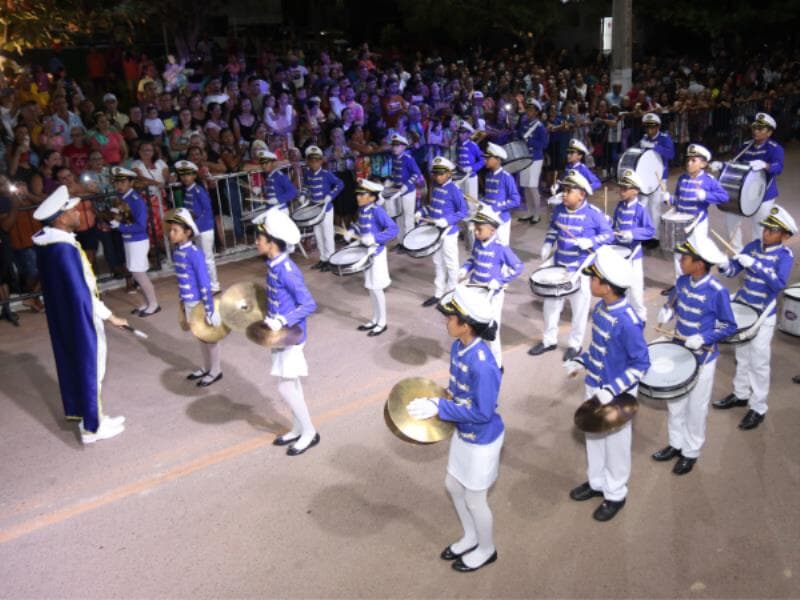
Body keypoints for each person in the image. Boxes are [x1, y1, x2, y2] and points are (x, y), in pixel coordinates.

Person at [406, 285, 503, 573]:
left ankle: (487, 549)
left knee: (475, 498)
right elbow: (458, 390)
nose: (445, 322)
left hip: (482, 439)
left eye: (450, 318)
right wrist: (435, 399)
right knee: (452, 485)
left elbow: (483, 413)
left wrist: (440, 408)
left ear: (466, 325)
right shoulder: (459, 347)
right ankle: (471, 535)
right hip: (464, 431)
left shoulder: (483, 364)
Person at [32, 186, 127, 444]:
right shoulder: (62, 249)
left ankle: (92, 415)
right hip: (80, 317)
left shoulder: (50, 242)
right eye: (72, 210)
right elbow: (81, 292)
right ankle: (92, 428)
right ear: (61, 218)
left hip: (67, 317)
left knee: (82, 367)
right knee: (91, 368)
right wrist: (110, 316)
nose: (77, 212)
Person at [564, 245, 650, 521]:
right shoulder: (602, 309)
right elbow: (600, 349)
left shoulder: (627, 321)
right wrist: (583, 361)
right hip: (596, 386)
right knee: (594, 434)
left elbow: (641, 364)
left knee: (616, 443)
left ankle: (615, 493)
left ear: (608, 286)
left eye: (594, 279)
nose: (590, 282)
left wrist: (612, 389)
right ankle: (596, 481)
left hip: (617, 394)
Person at [653, 233, 736, 475]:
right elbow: (674, 303)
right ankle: (675, 443)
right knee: (676, 402)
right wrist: (667, 311)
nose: (680, 260)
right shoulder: (682, 282)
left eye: (685, 257)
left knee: (696, 407)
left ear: (699, 264)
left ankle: (691, 451)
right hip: (679, 349)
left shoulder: (717, 291)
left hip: (703, 356)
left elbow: (729, 325)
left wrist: (705, 337)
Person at [713, 205, 796, 430]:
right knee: (742, 355)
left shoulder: (785, 255)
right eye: (765, 228)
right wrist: (723, 264)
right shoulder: (752, 246)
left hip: (763, 314)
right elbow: (733, 271)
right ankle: (740, 393)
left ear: (785, 235)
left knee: (759, 361)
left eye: (773, 230)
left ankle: (758, 406)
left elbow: (778, 284)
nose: (766, 233)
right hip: (744, 307)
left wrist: (755, 265)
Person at [252, 209, 320, 456]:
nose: (256, 242)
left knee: (285, 387)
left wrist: (283, 319)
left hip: (292, 335)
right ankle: (297, 427)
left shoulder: (287, 270)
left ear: (272, 243)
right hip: (279, 334)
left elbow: (309, 304)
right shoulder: (273, 264)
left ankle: (310, 432)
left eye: (260, 238)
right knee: (292, 384)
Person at [529, 170, 612, 360]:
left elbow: (609, 235)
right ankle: (549, 340)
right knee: (550, 306)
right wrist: (548, 243)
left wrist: (591, 241)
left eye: (568, 191)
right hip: (559, 266)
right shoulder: (559, 210)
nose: (564, 194)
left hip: (580, 270)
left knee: (579, 310)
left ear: (581, 194)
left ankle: (575, 344)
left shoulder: (593, 214)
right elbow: (553, 229)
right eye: (564, 190)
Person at [459, 206, 523, 369]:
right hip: (476, 291)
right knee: (475, 325)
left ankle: (497, 364)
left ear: (492, 230)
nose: (475, 232)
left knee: (491, 330)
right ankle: (478, 359)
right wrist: (464, 270)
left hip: (492, 295)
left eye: (479, 229)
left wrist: (500, 280)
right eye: (475, 228)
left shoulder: (501, 247)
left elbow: (517, 267)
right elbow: (473, 259)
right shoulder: (479, 243)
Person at [166, 208, 223, 388]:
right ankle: (206, 366)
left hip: (199, 303)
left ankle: (216, 370)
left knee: (209, 337)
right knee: (199, 336)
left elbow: (204, 284)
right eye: (171, 230)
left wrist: (209, 309)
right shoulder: (178, 253)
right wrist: (182, 301)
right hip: (189, 302)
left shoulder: (195, 253)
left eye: (175, 230)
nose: (171, 234)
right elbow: (182, 280)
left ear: (187, 232)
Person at [662, 143, 728, 287]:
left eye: (694, 160)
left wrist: (706, 195)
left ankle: (721, 262)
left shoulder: (708, 180)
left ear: (703, 163)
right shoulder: (683, 179)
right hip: (680, 220)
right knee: (679, 253)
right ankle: (679, 283)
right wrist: (669, 199)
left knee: (699, 249)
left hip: (697, 221)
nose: (689, 163)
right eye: (688, 160)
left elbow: (724, 197)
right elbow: (679, 201)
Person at [722, 112, 785, 251]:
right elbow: (735, 163)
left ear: (769, 132)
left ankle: (754, 254)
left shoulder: (775, 148)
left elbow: (779, 168)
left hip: (764, 194)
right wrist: (722, 166)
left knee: (759, 227)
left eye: (760, 129)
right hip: (742, 193)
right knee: (730, 221)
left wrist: (766, 165)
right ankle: (737, 252)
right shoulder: (746, 145)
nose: (756, 131)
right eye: (754, 128)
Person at [343, 179, 398, 337]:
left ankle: (382, 322)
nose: (358, 197)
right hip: (366, 252)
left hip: (377, 253)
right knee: (370, 287)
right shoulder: (363, 210)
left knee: (377, 288)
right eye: (358, 194)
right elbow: (360, 226)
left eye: (362, 194)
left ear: (373, 197)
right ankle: (375, 318)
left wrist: (375, 238)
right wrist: (351, 231)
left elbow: (393, 229)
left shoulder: (377, 210)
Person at [109, 166, 160, 316]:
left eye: (123, 182)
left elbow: (141, 226)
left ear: (131, 183)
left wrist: (120, 226)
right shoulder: (122, 198)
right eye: (117, 182)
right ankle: (147, 303)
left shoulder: (136, 200)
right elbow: (122, 218)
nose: (119, 185)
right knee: (136, 273)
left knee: (139, 274)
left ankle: (154, 304)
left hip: (137, 240)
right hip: (130, 240)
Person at [417, 156, 468, 307]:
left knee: (451, 264)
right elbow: (434, 207)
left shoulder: (454, 189)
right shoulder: (437, 187)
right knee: (438, 262)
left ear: (449, 174)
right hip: (435, 231)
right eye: (435, 173)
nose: (437, 176)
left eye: (441, 173)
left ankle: (452, 295)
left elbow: (463, 211)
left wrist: (447, 221)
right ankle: (439, 293)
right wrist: (422, 211)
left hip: (448, 232)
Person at [612, 169, 655, 321]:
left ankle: (641, 319)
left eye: (625, 188)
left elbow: (650, 230)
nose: (621, 191)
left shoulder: (640, 209)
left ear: (635, 191)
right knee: (620, 288)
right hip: (620, 255)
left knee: (635, 292)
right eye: (621, 187)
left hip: (634, 255)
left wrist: (633, 233)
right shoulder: (620, 206)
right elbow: (614, 226)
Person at [175, 160, 219, 293]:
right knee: (200, 258)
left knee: (207, 258)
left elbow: (207, 211)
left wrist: (194, 227)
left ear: (194, 175)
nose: (185, 177)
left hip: (204, 228)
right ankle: (205, 283)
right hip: (196, 229)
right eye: (182, 175)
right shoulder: (188, 191)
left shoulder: (198, 190)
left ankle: (214, 285)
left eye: (188, 174)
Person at [300, 145, 344, 272]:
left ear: (321, 161)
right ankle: (323, 259)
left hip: (326, 209)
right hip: (314, 209)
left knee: (328, 235)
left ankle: (331, 260)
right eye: (311, 160)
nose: (314, 163)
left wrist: (330, 195)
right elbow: (306, 186)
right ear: (308, 161)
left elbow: (340, 184)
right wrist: (303, 195)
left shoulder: (326, 174)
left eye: (317, 160)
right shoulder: (307, 173)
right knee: (318, 234)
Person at [637, 113, 674, 249]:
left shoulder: (664, 138)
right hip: (645, 177)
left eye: (652, 127)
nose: (649, 130)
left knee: (655, 207)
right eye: (647, 127)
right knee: (644, 206)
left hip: (659, 177)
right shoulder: (644, 138)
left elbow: (671, 154)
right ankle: (645, 234)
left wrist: (654, 147)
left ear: (658, 126)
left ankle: (655, 236)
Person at [516, 98, 549, 224]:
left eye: (531, 110)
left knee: (533, 186)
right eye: (527, 109)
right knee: (525, 186)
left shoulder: (540, 126)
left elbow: (544, 144)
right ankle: (529, 211)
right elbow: (519, 135)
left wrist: (529, 141)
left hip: (535, 158)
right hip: (524, 157)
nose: (528, 111)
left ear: (536, 112)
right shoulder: (524, 124)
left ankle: (537, 214)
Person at [385, 134, 422, 244]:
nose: (394, 148)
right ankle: (401, 242)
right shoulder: (395, 158)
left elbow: (417, 173)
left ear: (403, 147)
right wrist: (389, 182)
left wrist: (407, 185)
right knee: (399, 218)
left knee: (408, 219)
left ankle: (409, 243)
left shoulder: (408, 159)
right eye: (393, 146)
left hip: (408, 192)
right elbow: (394, 173)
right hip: (397, 192)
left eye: (397, 146)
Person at [481, 142, 520, 247]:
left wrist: (498, 207)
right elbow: (489, 196)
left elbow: (516, 200)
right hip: (489, 218)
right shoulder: (488, 175)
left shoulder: (506, 177)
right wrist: (481, 202)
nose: (485, 160)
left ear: (498, 160)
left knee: (501, 249)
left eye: (488, 158)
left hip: (502, 219)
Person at [256, 149, 296, 215]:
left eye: (266, 163)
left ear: (274, 163)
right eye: (262, 163)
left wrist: (278, 199)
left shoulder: (280, 176)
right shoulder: (269, 176)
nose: (263, 166)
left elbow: (293, 192)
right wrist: (261, 195)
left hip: (280, 211)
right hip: (271, 211)